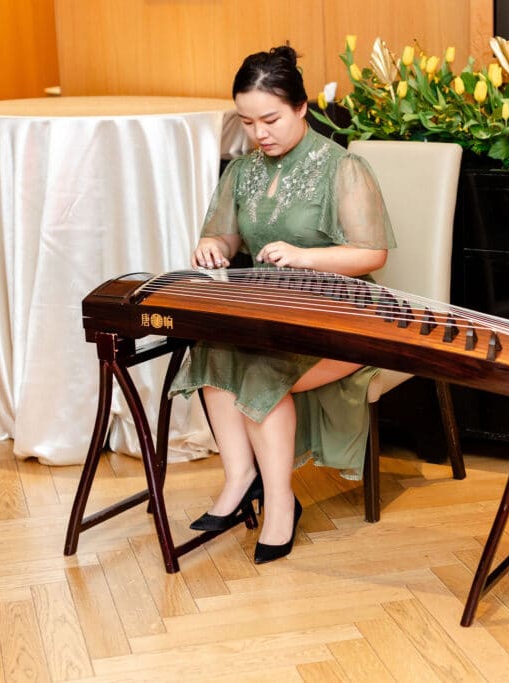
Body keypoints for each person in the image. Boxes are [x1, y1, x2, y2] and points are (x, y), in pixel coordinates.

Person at [169, 46, 395, 564]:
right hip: (273, 312)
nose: (259, 133)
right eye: (247, 122)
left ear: (301, 108)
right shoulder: (243, 172)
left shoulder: (342, 166)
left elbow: (372, 252)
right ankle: (239, 478)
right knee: (212, 347)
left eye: (269, 119)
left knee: (259, 367)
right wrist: (215, 249)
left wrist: (305, 256)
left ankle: (279, 506)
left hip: (348, 314)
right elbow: (223, 238)